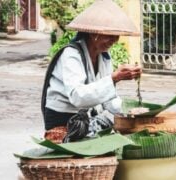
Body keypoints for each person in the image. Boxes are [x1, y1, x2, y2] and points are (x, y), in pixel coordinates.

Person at [41, 0, 141, 143]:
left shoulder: (104, 56)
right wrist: (113, 78)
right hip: (63, 120)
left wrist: (131, 111)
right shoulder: (71, 54)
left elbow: (108, 100)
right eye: (109, 35)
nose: (114, 40)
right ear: (93, 34)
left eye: (116, 35)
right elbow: (78, 97)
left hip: (85, 119)